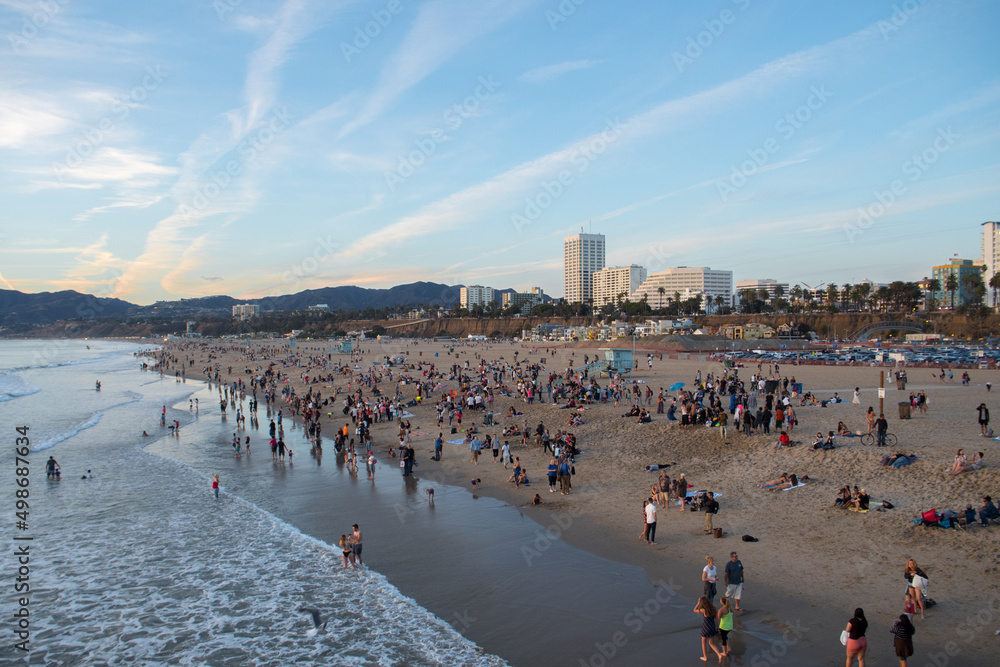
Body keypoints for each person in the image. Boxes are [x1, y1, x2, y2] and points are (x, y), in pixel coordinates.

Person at [693, 597, 725, 662]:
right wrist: (717, 628)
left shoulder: (704, 610)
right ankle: (719, 654)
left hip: (705, 628)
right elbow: (716, 620)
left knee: (703, 643)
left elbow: (694, 610)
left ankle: (705, 657)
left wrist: (698, 603)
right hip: (712, 627)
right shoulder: (714, 609)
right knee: (711, 643)